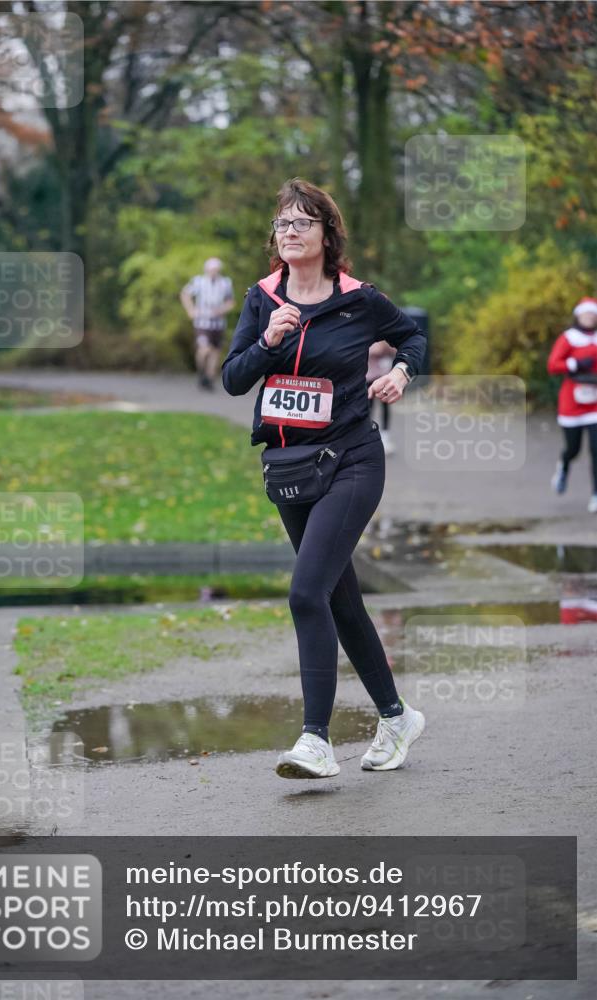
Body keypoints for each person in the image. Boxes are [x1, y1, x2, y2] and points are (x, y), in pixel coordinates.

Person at [221, 177, 428, 780]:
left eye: (301, 223)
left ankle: (315, 739)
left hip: (352, 459)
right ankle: (395, 716)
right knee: (338, 596)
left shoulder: (360, 300)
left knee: (306, 592)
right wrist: (268, 341)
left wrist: (402, 374)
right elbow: (235, 377)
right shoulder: (262, 298)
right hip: (290, 467)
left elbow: (414, 334)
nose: (289, 232)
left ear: (327, 234)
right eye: (282, 223)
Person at [547, 297, 597, 513]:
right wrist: (575, 363)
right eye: (586, 314)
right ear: (578, 316)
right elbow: (553, 365)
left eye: (593, 315)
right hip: (572, 401)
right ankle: (564, 465)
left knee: (596, 449)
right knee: (574, 449)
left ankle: (595, 494)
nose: (589, 318)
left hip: (595, 402)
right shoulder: (569, 338)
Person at [181, 258, 235, 391]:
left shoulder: (225, 283)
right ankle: (201, 373)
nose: (213, 272)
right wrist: (190, 310)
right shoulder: (198, 281)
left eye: (216, 270)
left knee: (215, 352)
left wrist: (222, 309)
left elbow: (230, 302)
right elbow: (185, 294)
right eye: (211, 270)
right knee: (204, 349)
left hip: (218, 323)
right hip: (202, 322)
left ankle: (209, 378)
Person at [367, 340, 398, 455]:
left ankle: (385, 437)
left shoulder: (385, 335)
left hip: (383, 377)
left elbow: (395, 350)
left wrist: (385, 347)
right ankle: (368, 438)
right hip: (368, 377)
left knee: (385, 407)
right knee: (368, 408)